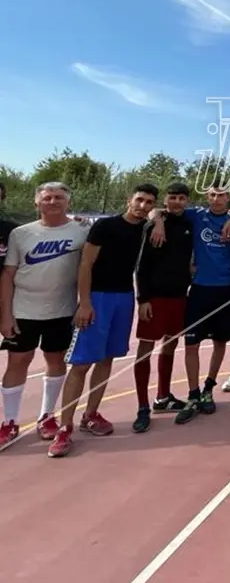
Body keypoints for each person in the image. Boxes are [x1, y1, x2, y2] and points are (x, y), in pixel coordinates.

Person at [48, 184, 159, 457]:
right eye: (139, 200)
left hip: (124, 297)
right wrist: (85, 303)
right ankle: (65, 427)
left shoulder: (145, 228)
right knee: (81, 363)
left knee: (107, 358)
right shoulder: (105, 227)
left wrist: (160, 219)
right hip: (98, 298)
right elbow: (85, 265)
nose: (143, 206)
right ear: (128, 200)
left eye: (149, 202)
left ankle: (91, 414)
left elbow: (164, 212)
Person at [0, 183, 88, 449]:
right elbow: (8, 275)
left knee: (55, 360)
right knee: (18, 361)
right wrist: (5, 315)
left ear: (68, 202)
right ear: (36, 203)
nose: (53, 201)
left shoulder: (83, 230)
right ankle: (10, 421)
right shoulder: (20, 233)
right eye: (47, 198)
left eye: (59, 197)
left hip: (62, 311)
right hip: (23, 310)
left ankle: (47, 416)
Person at [149, 185, 230, 425]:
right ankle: (193, 393)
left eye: (221, 194)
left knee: (220, 342)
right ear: (206, 197)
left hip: (226, 288)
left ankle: (209, 387)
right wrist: (157, 222)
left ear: (228, 197)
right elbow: (158, 210)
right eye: (212, 195)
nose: (216, 199)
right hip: (199, 288)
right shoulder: (196, 215)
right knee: (192, 343)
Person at [131, 182, 193, 433]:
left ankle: (163, 396)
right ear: (165, 200)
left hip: (179, 296)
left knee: (171, 344)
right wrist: (142, 299)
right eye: (173, 197)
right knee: (146, 348)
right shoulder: (152, 225)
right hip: (154, 298)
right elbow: (141, 265)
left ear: (187, 200)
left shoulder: (188, 224)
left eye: (181, 197)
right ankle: (142, 406)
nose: (177, 201)